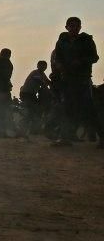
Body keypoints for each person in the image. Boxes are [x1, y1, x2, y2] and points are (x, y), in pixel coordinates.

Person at [51, 17, 101, 147]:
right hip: (67, 78)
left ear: (80, 27)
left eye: (77, 26)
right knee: (67, 108)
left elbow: (94, 57)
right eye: (71, 26)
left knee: (89, 109)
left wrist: (81, 61)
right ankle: (65, 138)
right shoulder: (62, 42)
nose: (74, 28)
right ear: (67, 27)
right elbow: (57, 58)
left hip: (83, 78)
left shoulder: (87, 40)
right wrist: (59, 65)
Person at [19, 61, 51, 134]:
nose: (43, 67)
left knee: (35, 111)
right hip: (26, 93)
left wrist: (52, 84)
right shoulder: (35, 73)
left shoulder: (42, 74)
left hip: (31, 94)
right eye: (42, 66)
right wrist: (49, 90)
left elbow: (47, 81)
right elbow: (41, 82)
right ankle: (24, 128)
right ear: (38, 66)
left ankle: (32, 129)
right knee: (32, 111)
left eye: (45, 66)